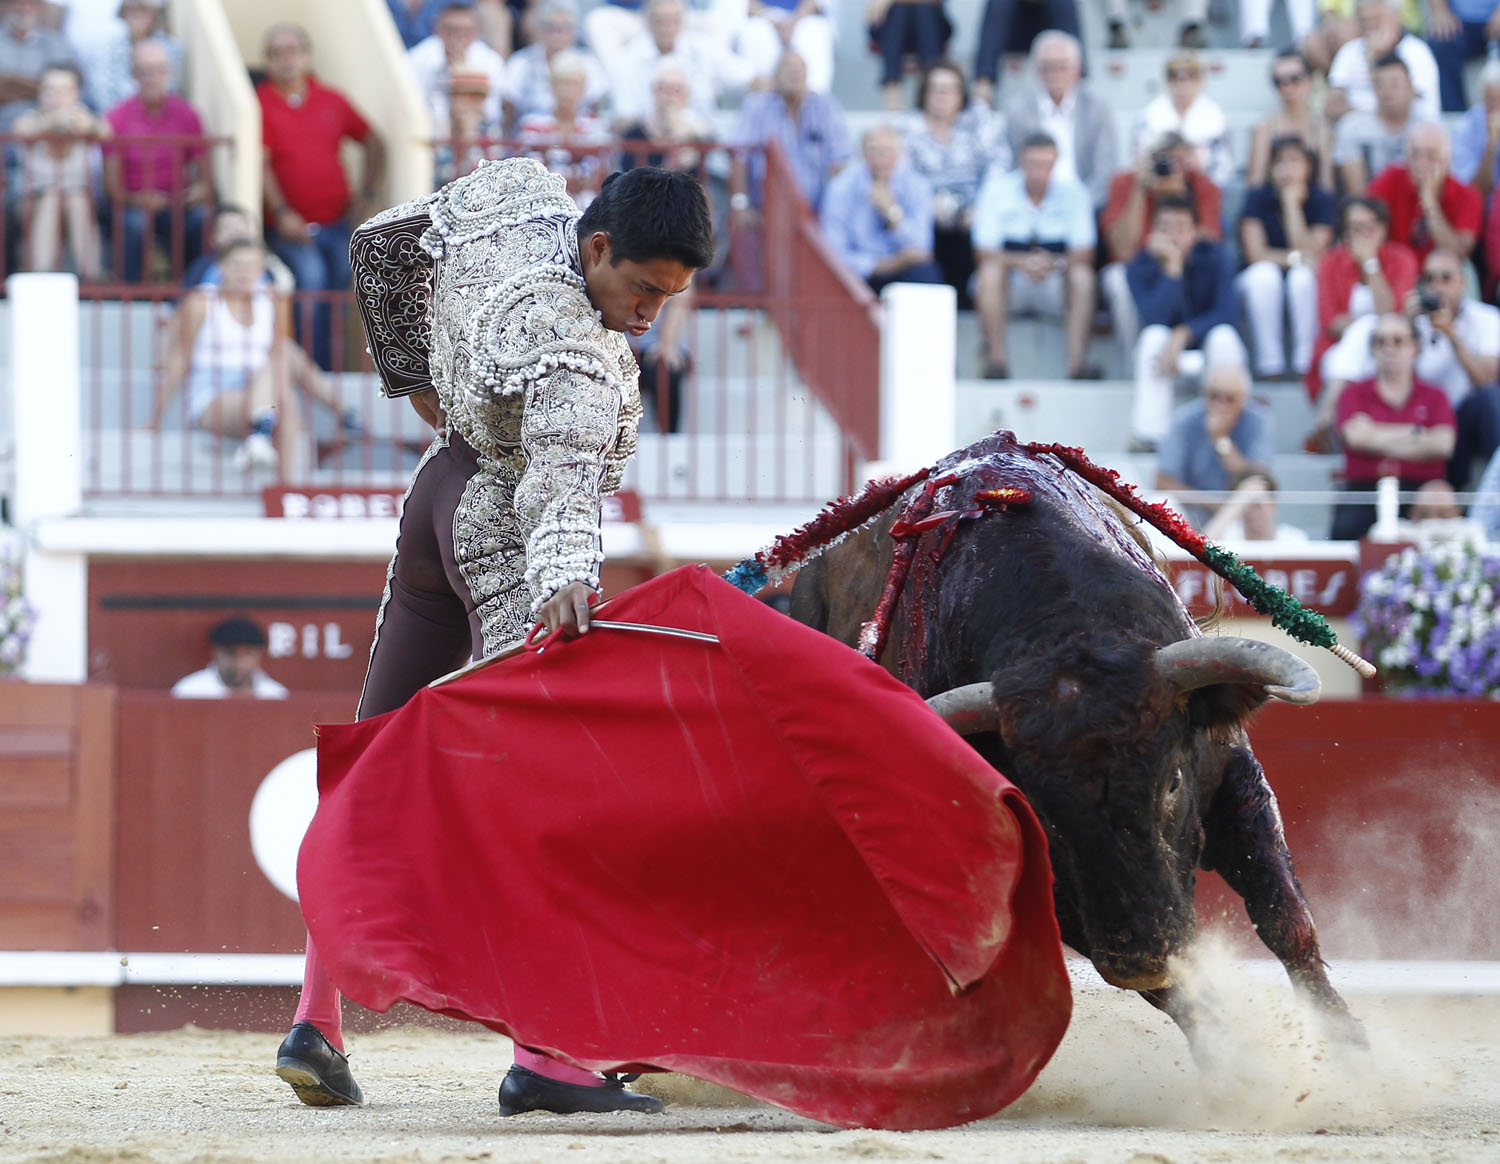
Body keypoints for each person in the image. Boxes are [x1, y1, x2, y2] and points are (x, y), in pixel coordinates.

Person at [274, 160, 714, 1117]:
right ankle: (546, 1056)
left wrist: (410, 380)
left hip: (433, 498)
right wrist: (564, 577)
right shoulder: (582, 356)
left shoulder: (511, 200)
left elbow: (383, 245)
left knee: (370, 757)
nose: (647, 317)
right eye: (641, 289)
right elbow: (558, 479)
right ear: (598, 249)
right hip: (501, 531)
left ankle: (317, 1018)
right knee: (535, 792)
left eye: (668, 300)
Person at [150, 239, 354, 475]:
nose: (244, 272)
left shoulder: (270, 298)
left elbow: (279, 352)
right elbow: (180, 357)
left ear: (261, 270)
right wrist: (156, 417)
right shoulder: (201, 301)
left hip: (262, 387)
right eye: (236, 265)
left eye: (251, 266)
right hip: (216, 393)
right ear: (220, 267)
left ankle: (266, 449)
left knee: (285, 386)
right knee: (284, 386)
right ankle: (341, 418)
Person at [257, 22, 386, 369]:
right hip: (289, 226)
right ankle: (310, 371)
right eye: (277, 53)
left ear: (307, 56)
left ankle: (329, 370)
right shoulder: (261, 103)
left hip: (336, 222)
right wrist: (282, 211)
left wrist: (368, 194)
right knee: (310, 282)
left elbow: (373, 140)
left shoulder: (331, 99)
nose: (286, 60)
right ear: (267, 62)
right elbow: (262, 163)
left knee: (342, 290)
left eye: (293, 51)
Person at [1320, 248, 1500, 488]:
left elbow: (1485, 379)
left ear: (1462, 282)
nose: (1437, 287)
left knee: (1488, 399)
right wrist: (1408, 326)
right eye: (1429, 279)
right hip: (1423, 419)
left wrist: (1450, 333)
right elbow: (1396, 381)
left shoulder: (1486, 319)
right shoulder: (1413, 323)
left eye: (1445, 278)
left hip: (1464, 420)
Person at [970, 131, 1098, 380]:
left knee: (1083, 277)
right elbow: (982, 251)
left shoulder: (1074, 194)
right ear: (1021, 162)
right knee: (988, 272)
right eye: (1033, 164)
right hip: (1012, 285)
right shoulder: (997, 191)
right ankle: (997, 361)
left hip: (1055, 284)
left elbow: (1085, 252)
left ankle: (1077, 363)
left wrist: (1054, 263)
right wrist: (1022, 262)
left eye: (1045, 164)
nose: (1038, 171)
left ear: (1055, 163)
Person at [1126, 195, 1247, 452]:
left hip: (1206, 354)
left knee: (1224, 336)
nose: (1173, 235)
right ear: (1153, 232)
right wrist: (1173, 268)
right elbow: (1153, 317)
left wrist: (1184, 333)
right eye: (1165, 227)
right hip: (1167, 360)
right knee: (1153, 336)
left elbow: (1226, 312)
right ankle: (1150, 436)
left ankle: (1227, 430)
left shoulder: (1216, 257)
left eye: (1181, 228)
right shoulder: (1139, 265)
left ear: (1196, 232)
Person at [1330, 311, 1456, 539]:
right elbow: (1355, 438)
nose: (1389, 348)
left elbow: (1443, 444)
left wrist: (1374, 435)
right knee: (1343, 531)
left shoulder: (1435, 396)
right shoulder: (1353, 394)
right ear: (1372, 349)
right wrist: (1416, 433)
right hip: (1364, 491)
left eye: (1398, 340)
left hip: (1421, 492)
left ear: (1415, 346)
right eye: (1381, 342)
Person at [1100, 130, 1223, 360]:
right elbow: (1123, 250)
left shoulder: (1201, 185)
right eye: (1163, 159)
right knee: (1116, 279)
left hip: (1187, 270)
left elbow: (1208, 245)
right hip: (1142, 270)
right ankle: (1131, 361)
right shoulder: (1126, 182)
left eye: (1178, 160)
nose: (1170, 166)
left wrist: (1179, 195)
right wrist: (1140, 190)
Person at [103, 39, 209, 283]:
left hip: (176, 202)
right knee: (133, 223)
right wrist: (139, 199)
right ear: (133, 74)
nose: (152, 77)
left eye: (158, 70)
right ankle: (126, 296)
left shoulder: (188, 114)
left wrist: (192, 194)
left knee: (201, 218)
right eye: (144, 71)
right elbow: (112, 188)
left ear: (169, 72)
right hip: (132, 204)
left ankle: (192, 292)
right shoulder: (116, 117)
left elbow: (203, 175)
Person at [902, 59, 1006, 306]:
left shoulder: (978, 121)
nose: (942, 95)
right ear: (924, 93)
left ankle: (971, 301)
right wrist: (928, 203)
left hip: (974, 208)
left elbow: (998, 163)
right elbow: (904, 176)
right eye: (936, 89)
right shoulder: (908, 127)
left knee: (983, 228)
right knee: (926, 228)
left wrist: (982, 205)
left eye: (950, 89)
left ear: (961, 95)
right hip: (928, 209)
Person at [1304, 194, 1417, 420]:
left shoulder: (1402, 259)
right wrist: (1368, 326)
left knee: (1375, 330)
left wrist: (1370, 264)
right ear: (1345, 232)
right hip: (1338, 348)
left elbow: (1392, 316)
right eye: (1356, 228)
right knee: (1368, 327)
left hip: (1389, 348)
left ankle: (1328, 415)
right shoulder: (1330, 262)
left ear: (1383, 229)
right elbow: (1331, 322)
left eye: (1369, 227)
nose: (1363, 235)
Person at [1237, 135, 1336, 379]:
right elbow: (1256, 254)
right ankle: (1270, 366)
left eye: (1295, 161)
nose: (1287, 168)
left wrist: (1292, 207)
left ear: (1309, 167)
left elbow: (1314, 253)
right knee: (1265, 276)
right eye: (1280, 162)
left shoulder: (1321, 199)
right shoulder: (1257, 197)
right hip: (1260, 275)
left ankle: (1305, 364)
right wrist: (1295, 258)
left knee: (1302, 278)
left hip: (1300, 275)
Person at [1000, 31, 1117, 212]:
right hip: (1029, 205)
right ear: (1037, 70)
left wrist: (1082, 206)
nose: (1054, 74)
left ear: (1077, 69)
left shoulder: (1097, 109)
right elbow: (1012, 166)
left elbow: (1105, 168)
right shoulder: (1017, 110)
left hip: (1086, 205)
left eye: (1062, 66)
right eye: (1047, 66)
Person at [820, 123, 942, 294]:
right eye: (874, 151)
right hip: (860, 273)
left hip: (903, 270)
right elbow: (834, 252)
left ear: (899, 155)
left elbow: (921, 248)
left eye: (888, 152)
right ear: (862, 154)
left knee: (926, 274)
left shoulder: (917, 185)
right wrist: (879, 266)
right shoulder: (841, 187)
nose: (881, 160)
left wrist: (892, 212)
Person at [728, 50, 851, 217]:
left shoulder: (826, 107)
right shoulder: (756, 106)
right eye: (788, 67)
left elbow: (839, 161)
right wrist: (740, 205)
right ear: (775, 75)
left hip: (815, 212)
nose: (795, 72)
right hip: (767, 214)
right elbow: (738, 156)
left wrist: (831, 213)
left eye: (800, 68)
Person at [1154, 363, 1276, 530]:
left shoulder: (1258, 420)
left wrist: (1221, 439)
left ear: (1243, 399)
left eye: (1229, 398)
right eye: (1214, 396)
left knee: (1258, 500)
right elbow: (1163, 482)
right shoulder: (1185, 420)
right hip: (1192, 513)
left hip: (1239, 516)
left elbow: (1257, 479)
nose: (1220, 404)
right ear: (1204, 394)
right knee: (1160, 501)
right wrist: (1212, 503)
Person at [13, 62, 104, 279]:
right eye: (50, 89)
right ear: (40, 92)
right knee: (53, 197)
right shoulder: (30, 119)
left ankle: (92, 279)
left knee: (75, 198)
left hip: (79, 200)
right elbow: (20, 129)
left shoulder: (85, 119)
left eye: (64, 90)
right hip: (31, 202)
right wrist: (53, 122)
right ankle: (41, 276)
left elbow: (107, 132)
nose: (56, 96)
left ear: (77, 93)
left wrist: (86, 126)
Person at [608, 0, 752, 129]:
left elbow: (745, 76)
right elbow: (623, 114)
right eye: (659, 20)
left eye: (673, 20)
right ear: (648, 22)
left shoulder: (704, 48)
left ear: (683, 21)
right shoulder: (629, 57)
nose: (666, 27)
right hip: (646, 142)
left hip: (697, 141)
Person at [1366, 122, 1482, 263]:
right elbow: (1365, 227)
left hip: (1440, 277)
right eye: (1415, 155)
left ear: (1447, 159)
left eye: (1431, 156)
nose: (1422, 163)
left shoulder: (1467, 195)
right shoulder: (1389, 178)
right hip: (1395, 270)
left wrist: (1429, 201)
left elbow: (1459, 253)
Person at [517, 49, 613, 206]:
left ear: (584, 88)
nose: (567, 91)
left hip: (586, 206)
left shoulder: (597, 126)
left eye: (574, 84)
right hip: (542, 205)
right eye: (561, 83)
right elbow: (530, 173)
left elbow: (599, 173)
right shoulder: (532, 124)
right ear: (551, 86)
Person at [1324, 0, 1440, 124]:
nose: (1369, 26)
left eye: (1375, 19)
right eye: (1364, 20)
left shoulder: (1416, 52)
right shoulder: (1350, 50)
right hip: (1356, 132)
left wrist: (1376, 59)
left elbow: (1406, 106)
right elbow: (1332, 105)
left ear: (1396, 16)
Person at [1130, 52, 1233, 190]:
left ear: (1201, 81)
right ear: (1167, 81)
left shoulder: (1218, 120)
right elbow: (1139, 163)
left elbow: (1222, 171)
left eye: (1191, 75)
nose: (1182, 82)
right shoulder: (1147, 117)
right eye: (1174, 76)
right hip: (1157, 191)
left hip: (1202, 190)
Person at [500, 0, 608, 130]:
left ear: (574, 32)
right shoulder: (521, 62)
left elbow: (597, 110)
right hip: (531, 139)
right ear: (540, 30)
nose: (558, 35)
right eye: (551, 28)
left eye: (564, 29)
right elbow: (508, 114)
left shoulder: (589, 64)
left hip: (578, 138)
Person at [407, 1, 507, 131]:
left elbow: (492, 114)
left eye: (465, 32)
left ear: (476, 33)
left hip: (476, 134)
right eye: (451, 31)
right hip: (429, 132)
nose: (457, 38)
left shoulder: (491, 62)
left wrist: (462, 77)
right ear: (437, 30)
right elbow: (412, 107)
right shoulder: (417, 58)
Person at [1332, 52, 1421, 194]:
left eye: (1394, 84)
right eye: (1380, 84)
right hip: (1371, 210)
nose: (1387, 91)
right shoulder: (1352, 127)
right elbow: (1357, 193)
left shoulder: (1427, 129)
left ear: (1411, 86)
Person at [1247, 51, 1333, 189]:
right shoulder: (1264, 127)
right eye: (1279, 81)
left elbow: (1326, 184)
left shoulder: (1321, 128)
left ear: (1309, 80)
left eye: (1295, 79)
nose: (1288, 87)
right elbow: (1256, 183)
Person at [971, 0, 1081, 107]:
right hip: (1013, 65)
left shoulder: (1062, 4)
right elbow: (989, 44)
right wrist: (984, 83)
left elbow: (1074, 53)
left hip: (1049, 62)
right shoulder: (1000, 4)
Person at [82, 0, 182, 113]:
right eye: (130, 10)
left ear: (154, 14)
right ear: (122, 14)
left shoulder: (170, 47)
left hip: (157, 118)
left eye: (142, 10)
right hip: (116, 121)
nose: (136, 16)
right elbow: (101, 92)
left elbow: (168, 88)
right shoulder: (106, 49)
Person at [0, 0, 76, 133]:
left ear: (39, 6)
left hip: (43, 125)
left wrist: (10, 84)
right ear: (7, 5)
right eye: (16, 2)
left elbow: (64, 83)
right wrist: (37, 85)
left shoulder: (53, 43)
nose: (23, 7)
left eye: (30, 3)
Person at [180, 203, 295, 291]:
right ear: (213, 238)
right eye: (227, 228)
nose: (235, 234)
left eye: (240, 228)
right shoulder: (202, 267)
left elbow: (283, 289)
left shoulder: (268, 265)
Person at [171, 616, 289, 699]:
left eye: (247, 654)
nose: (239, 662)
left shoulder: (275, 695)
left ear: (258, 655)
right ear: (216, 653)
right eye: (231, 654)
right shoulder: (190, 692)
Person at [734, 0, 836, 95]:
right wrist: (772, 21)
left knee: (814, 32)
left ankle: (815, 103)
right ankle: (762, 102)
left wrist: (794, 21)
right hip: (763, 16)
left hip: (802, 16)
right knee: (756, 32)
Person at [868, 0, 950, 110]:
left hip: (930, 23)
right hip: (893, 25)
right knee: (898, 11)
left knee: (922, 9)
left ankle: (927, 85)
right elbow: (873, 13)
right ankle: (893, 87)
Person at [1424, 0, 1500, 111]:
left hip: (1496, 16)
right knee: (1440, 41)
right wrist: (1441, 11)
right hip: (1459, 20)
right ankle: (1454, 116)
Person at [1450, 57, 1500, 198]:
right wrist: (1491, 142)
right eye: (1491, 99)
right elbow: (1475, 190)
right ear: (1482, 98)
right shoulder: (1465, 128)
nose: (1496, 108)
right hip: (1482, 206)